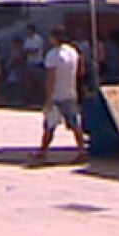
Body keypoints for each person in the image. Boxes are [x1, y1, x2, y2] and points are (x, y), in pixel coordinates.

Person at [35, 25, 86, 163]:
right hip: (71, 91)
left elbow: (51, 77)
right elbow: (81, 71)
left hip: (57, 94)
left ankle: (43, 150)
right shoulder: (73, 52)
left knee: (49, 125)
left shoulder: (52, 55)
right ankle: (81, 150)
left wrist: (48, 97)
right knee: (75, 124)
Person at [21, 24, 46, 106]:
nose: (27, 32)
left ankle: (41, 100)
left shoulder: (38, 39)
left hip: (37, 64)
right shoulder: (27, 40)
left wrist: (29, 51)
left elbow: (35, 50)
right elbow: (24, 50)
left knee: (39, 83)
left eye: (28, 30)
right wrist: (28, 51)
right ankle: (30, 100)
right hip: (29, 63)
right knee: (29, 83)